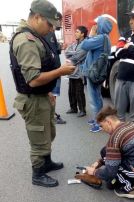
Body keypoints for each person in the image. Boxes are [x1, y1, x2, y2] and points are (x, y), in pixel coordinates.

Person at [9, 0, 75, 187]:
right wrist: (60, 72)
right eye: (49, 24)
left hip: (41, 96)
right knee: (39, 137)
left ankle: (46, 163)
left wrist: (48, 91)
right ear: (37, 17)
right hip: (32, 99)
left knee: (48, 133)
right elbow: (33, 79)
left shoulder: (36, 36)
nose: (51, 29)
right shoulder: (26, 40)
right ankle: (38, 173)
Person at [85, 106, 134, 199]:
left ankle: (129, 188)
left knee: (110, 181)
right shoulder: (131, 125)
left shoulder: (115, 138)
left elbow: (110, 172)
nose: (102, 129)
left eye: (101, 126)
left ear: (108, 122)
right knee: (106, 151)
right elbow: (111, 153)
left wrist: (95, 172)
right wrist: (99, 162)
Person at [81, 16, 112, 132]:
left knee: (94, 98)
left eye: (97, 24)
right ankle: (98, 118)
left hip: (93, 72)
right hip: (98, 72)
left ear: (101, 26)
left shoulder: (99, 38)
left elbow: (84, 45)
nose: (95, 26)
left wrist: (91, 34)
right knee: (97, 95)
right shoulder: (106, 38)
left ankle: (98, 123)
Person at [44, 12, 67, 124]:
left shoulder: (51, 34)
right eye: (60, 21)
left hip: (56, 70)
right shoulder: (46, 33)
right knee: (51, 94)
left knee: (54, 94)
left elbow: (55, 50)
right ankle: (50, 116)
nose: (61, 23)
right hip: (52, 70)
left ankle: (51, 114)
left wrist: (60, 47)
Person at [65, 26, 88, 117]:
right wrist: (74, 53)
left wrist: (73, 55)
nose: (75, 33)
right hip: (71, 72)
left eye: (77, 32)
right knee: (71, 92)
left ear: (82, 34)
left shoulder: (85, 44)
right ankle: (73, 108)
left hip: (79, 72)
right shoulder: (74, 44)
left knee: (79, 92)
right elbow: (66, 52)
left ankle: (82, 110)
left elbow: (78, 56)